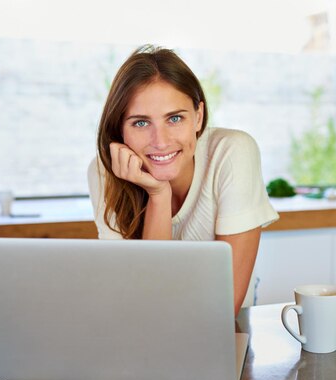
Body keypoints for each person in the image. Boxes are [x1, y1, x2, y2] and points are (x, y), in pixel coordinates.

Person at [88, 45, 279, 316]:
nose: (161, 141)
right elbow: (143, 304)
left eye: (175, 118)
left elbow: (225, 306)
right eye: (141, 123)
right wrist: (158, 194)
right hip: (146, 332)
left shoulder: (232, 152)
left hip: (224, 328)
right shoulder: (103, 172)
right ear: (119, 128)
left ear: (198, 117)